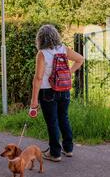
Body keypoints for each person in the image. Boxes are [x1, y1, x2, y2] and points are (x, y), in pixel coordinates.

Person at [30, 25, 84, 162]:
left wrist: (34, 101)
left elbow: (38, 78)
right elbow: (80, 59)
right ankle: (68, 148)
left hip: (48, 92)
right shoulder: (63, 49)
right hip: (64, 89)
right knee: (63, 118)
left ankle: (55, 153)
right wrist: (67, 74)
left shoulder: (42, 54)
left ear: (40, 39)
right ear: (55, 36)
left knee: (52, 122)